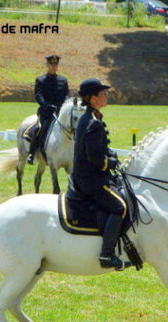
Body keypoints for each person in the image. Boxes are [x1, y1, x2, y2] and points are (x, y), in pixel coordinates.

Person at [67, 78, 126, 270]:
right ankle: (107, 255)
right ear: (93, 98)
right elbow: (95, 158)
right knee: (119, 207)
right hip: (90, 180)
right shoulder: (93, 123)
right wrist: (111, 162)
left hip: (87, 176)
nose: (106, 96)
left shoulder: (91, 118)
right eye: (102, 94)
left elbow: (99, 149)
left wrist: (110, 154)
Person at [27, 54, 69, 165]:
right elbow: (38, 95)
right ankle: (32, 153)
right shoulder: (41, 80)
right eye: (51, 64)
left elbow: (66, 95)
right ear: (47, 65)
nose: (54, 66)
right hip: (46, 113)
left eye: (55, 64)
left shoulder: (63, 80)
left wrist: (65, 104)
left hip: (60, 113)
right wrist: (46, 105)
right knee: (38, 129)